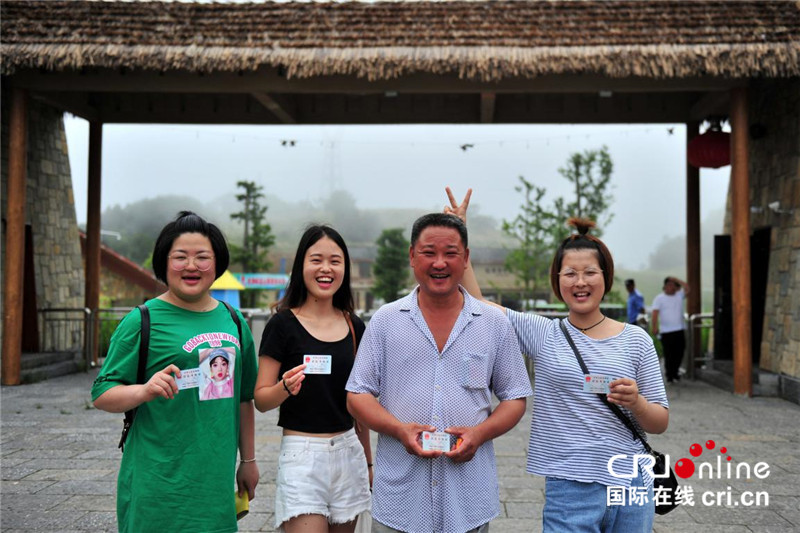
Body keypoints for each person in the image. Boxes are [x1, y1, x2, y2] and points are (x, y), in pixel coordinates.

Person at [445, 188, 668, 533]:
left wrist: (637, 402)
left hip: (631, 481)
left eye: (590, 273)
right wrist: (460, 239)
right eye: (570, 274)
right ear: (558, 281)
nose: (581, 282)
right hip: (570, 485)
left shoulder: (636, 339)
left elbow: (659, 422)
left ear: (606, 277)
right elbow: (479, 305)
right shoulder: (543, 333)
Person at [346, 213, 533, 533]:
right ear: (411, 256)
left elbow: (515, 397)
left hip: (468, 495)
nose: (439, 263)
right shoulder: (386, 321)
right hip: (401, 498)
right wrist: (399, 430)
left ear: (466, 259)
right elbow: (357, 395)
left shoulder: (493, 323)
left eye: (450, 253)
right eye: (429, 252)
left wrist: (480, 433)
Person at [92, 211, 259, 533]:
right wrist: (143, 390)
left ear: (218, 262)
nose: (192, 266)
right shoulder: (142, 320)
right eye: (180, 257)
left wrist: (248, 461)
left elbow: (243, 399)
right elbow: (102, 393)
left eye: (202, 257)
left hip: (214, 484)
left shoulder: (235, 322)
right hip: (158, 484)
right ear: (164, 262)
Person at [255, 224, 372, 533]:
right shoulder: (282, 324)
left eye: (335, 260)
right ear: (301, 266)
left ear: (345, 268)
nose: (325, 268)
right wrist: (284, 387)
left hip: (349, 451)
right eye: (316, 259)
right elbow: (261, 399)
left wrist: (369, 464)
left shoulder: (355, 327)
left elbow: (359, 406)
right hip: (302, 455)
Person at [651, 276, 690, 383]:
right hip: (666, 331)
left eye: (673, 285)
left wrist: (677, 279)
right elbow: (655, 313)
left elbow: (687, 288)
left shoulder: (679, 295)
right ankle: (670, 375)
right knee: (669, 354)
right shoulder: (659, 298)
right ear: (665, 286)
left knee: (680, 352)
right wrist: (654, 327)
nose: (671, 287)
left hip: (679, 329)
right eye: (669, 284)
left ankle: (675, 371)